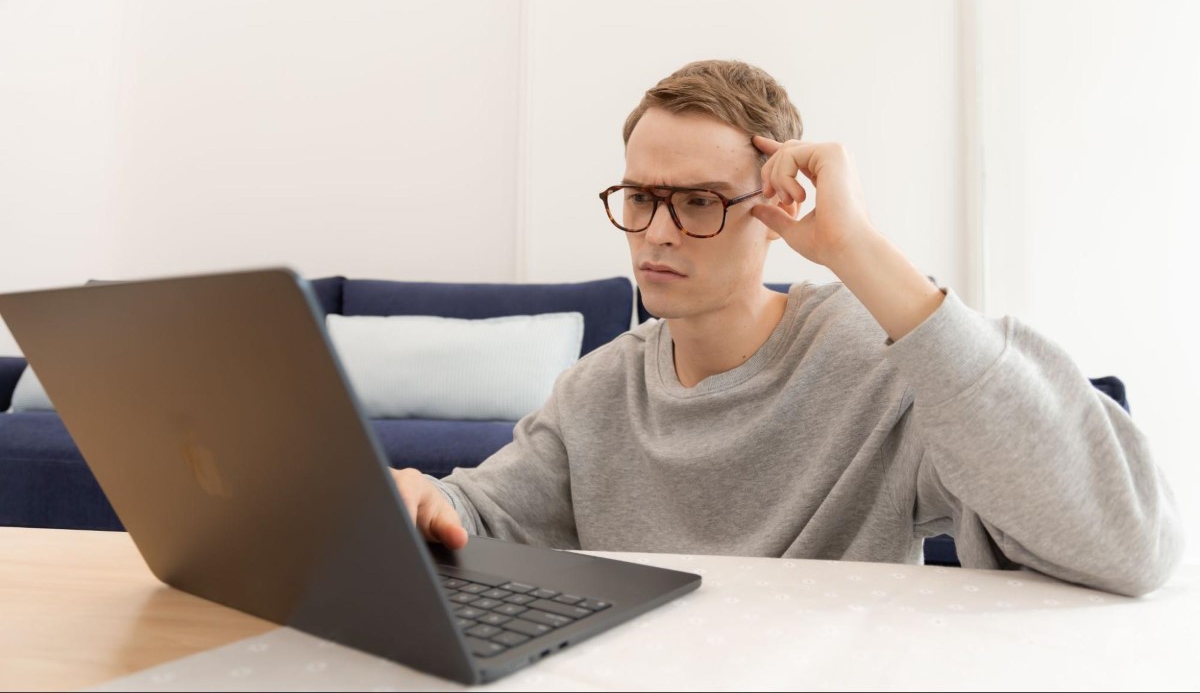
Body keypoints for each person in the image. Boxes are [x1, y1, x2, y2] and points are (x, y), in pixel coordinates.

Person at [390, 59, 1182, 596]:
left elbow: (1131, 545)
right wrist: (422, 498)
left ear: (775, 213)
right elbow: (477, 519)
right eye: (639, 198)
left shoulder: (879, 365)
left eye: (698, 202)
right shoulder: (598, 390)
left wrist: (855, 248)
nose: (657, 232)